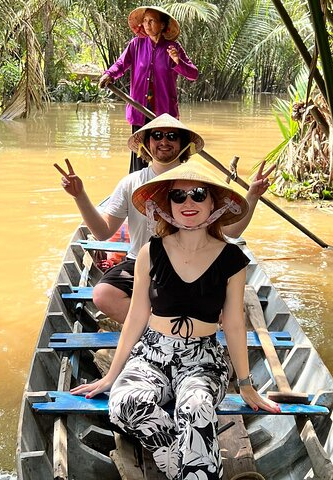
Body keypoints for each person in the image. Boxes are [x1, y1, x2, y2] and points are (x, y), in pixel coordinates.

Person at [70, 161, 281, 479]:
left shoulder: (231, 259)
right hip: (152, 354)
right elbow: (137, 317)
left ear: (213, 203)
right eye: (178, 197)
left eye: (198, 194)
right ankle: (185, 465)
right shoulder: (149, 252)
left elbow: (235, 324)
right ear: (167, 206)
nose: (188, 203)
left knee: (195, 408)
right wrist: (112, 376)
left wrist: (247, 386)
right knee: (126, 402)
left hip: (203, 359)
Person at [54, 113, 275, 324]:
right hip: (141, 263)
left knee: (217, 309)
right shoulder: (131, 183)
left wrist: (252, 195)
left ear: (183, 144)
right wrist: (79, 195)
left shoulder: (199, 183)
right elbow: (103, 232)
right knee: (103, 295)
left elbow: (230, 233)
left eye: (172, 136)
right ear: (146, 143)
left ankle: (167, 322)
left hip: (191, 262)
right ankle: (159, 329)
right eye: (157, 135)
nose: (164, 142)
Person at [98, 6, 198, 173]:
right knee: (139, 157)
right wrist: (109, 75)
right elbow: (121, 64)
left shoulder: (173, 48)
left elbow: (193, 74)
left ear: (162, 25)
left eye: (152, 21)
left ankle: (166, 187)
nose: (147, 25)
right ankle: (137, 190)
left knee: (167, 155)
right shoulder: (136, 45)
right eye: (145, 21)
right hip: (140, 110)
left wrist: (177, 61)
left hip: (164, 114)